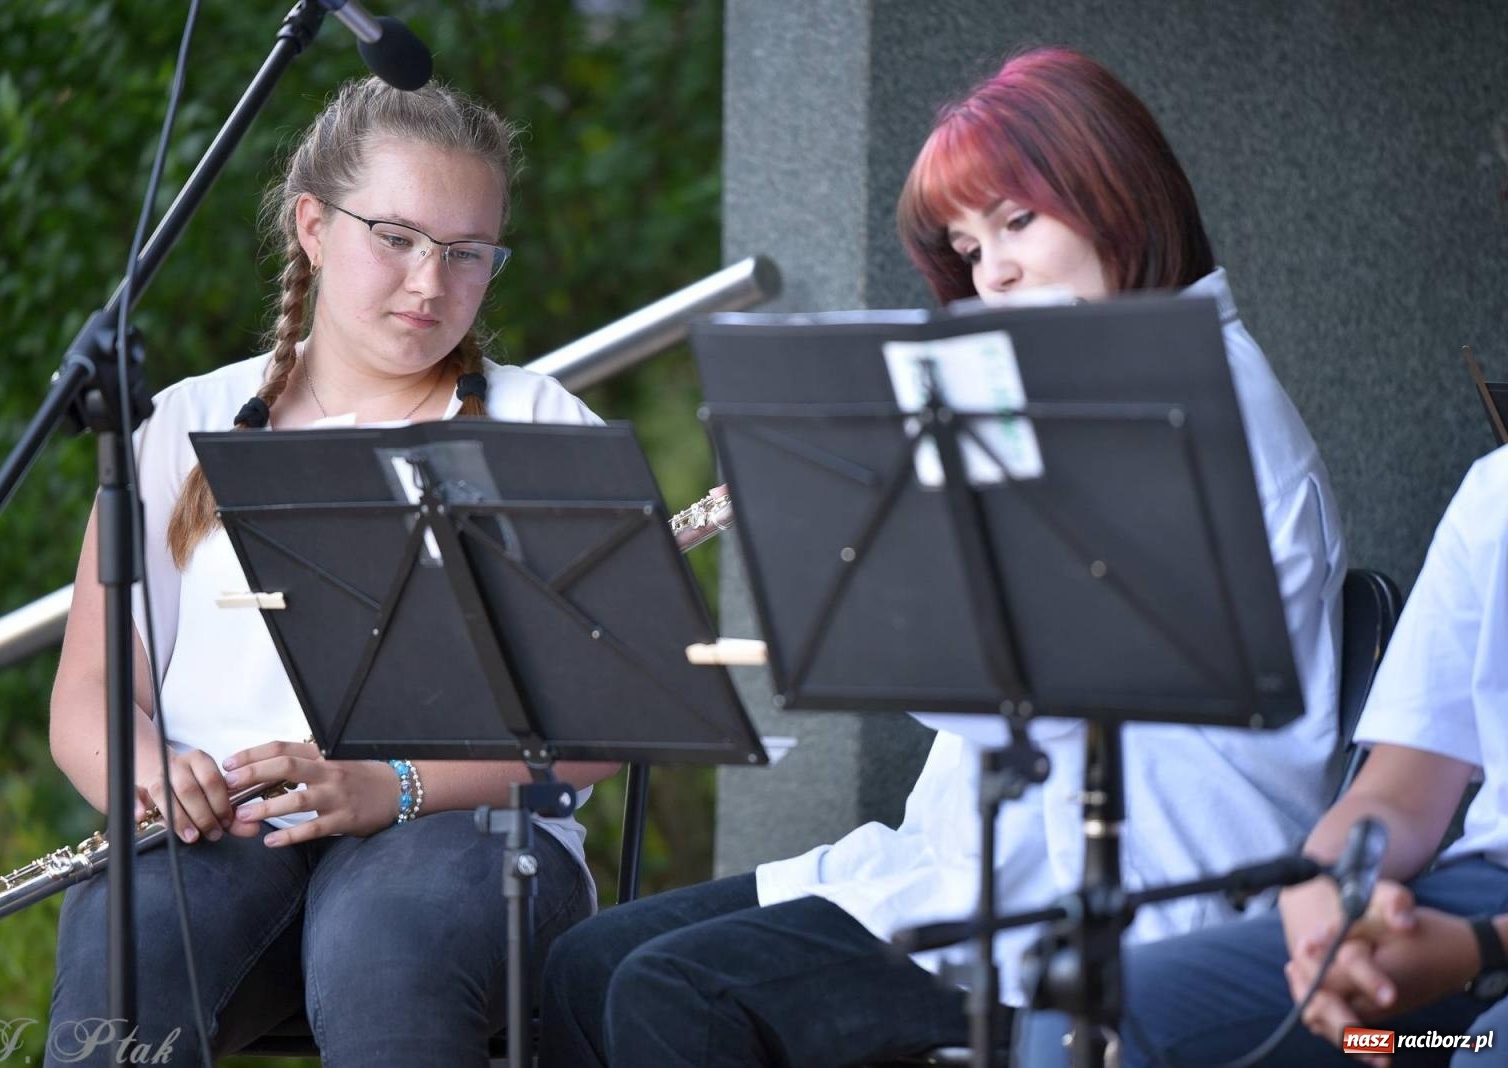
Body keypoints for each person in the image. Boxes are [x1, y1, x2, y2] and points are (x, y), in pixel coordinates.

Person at [536, 46, 1346, 1068]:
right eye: (966, 248)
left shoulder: (1183, 396)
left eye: (1018, 222)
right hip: (977, 859)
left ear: (1118, 198)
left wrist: (855, 556)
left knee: (673, 991)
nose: (991, 272)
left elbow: (1016, 690)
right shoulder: (1081, 382)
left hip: (1132, 896)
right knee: (585, 961)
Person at [45, 76, 617, 1066]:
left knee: (384, 950)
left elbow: (606, 726)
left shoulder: (544, 427)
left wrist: (388, 786)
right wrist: (153, 780)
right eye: (395, 238)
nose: (430, 282)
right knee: (125, 948)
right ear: (313, 225)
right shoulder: (185, 421)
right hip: (229, 823)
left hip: (465, 829)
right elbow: (92, 695)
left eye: (467, 253)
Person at [1019, 448, 1508, 1067]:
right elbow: (1397, 793)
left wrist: (1481, 950)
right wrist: (1322, 905)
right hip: (1476, 906)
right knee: (1087, 1020)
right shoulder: (1497, 494)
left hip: (1478, 952)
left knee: (1484, 1051)